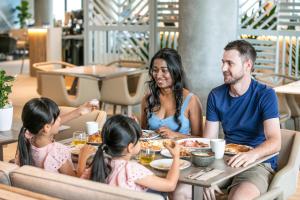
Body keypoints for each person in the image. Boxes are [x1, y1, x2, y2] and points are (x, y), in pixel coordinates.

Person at [203, 40, 281, 200]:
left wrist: (252, 154)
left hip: (257, 163)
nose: (223, 68)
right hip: (224, 161)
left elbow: (275, 141)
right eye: (223, 62)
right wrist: (205, 174)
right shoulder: (215, 95)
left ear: (247, 65)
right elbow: (208, 141)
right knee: (186, 190)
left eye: (230, 63)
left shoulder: (265, 95)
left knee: (237, 198)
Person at [83, 115, 180, 198]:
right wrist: (176, 157)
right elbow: (170, 185)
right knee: (160, 192)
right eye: (138, 140)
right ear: (130, 147)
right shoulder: (132, 169)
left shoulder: (98, 163)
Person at [16, 97, 96, 177]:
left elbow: (48, 125)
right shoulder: (57, 152)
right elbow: (76, 181)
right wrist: (83, 157)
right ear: (46, 127)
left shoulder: (25, 141)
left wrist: (79, 112)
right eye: (57, 117)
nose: (60, 119)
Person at [141, 48, 203, 138]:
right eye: (155, 70)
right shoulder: (147, 99)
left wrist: (175, 135)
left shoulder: (191, 100)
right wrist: (134, 127)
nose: (158, 75)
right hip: (153, 151)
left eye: (164, 70)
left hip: (180, 151)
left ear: (175, 71)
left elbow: (201, 139)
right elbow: (144, 134)